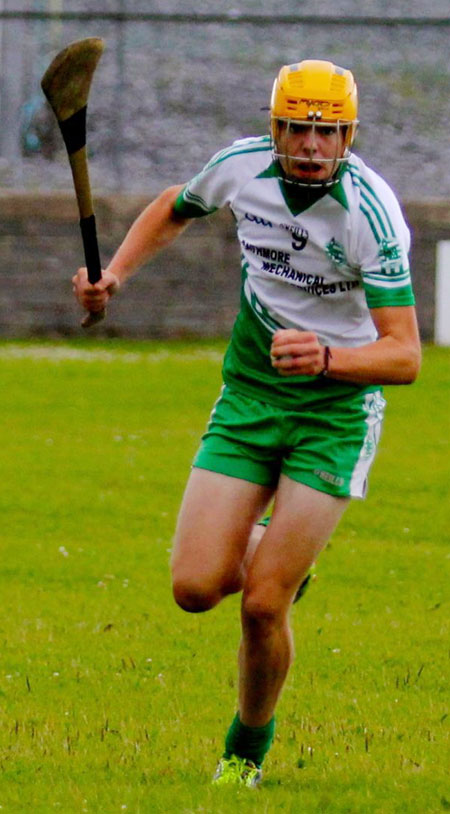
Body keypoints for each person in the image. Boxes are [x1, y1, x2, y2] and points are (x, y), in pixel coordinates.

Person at [72, 59, 421, 787]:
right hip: (249, 399)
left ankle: (245, 752)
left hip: (334, 415)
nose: (310, 145)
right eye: (296, 127)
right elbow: (175, 205)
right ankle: (278, 551)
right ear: (275, 127)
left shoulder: (370, 212)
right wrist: (116, 277)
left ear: (348, 135)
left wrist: (327, 357)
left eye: (327, 133)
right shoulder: (241, 168)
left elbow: (404, 356)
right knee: (195, 588)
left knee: (263, 604)